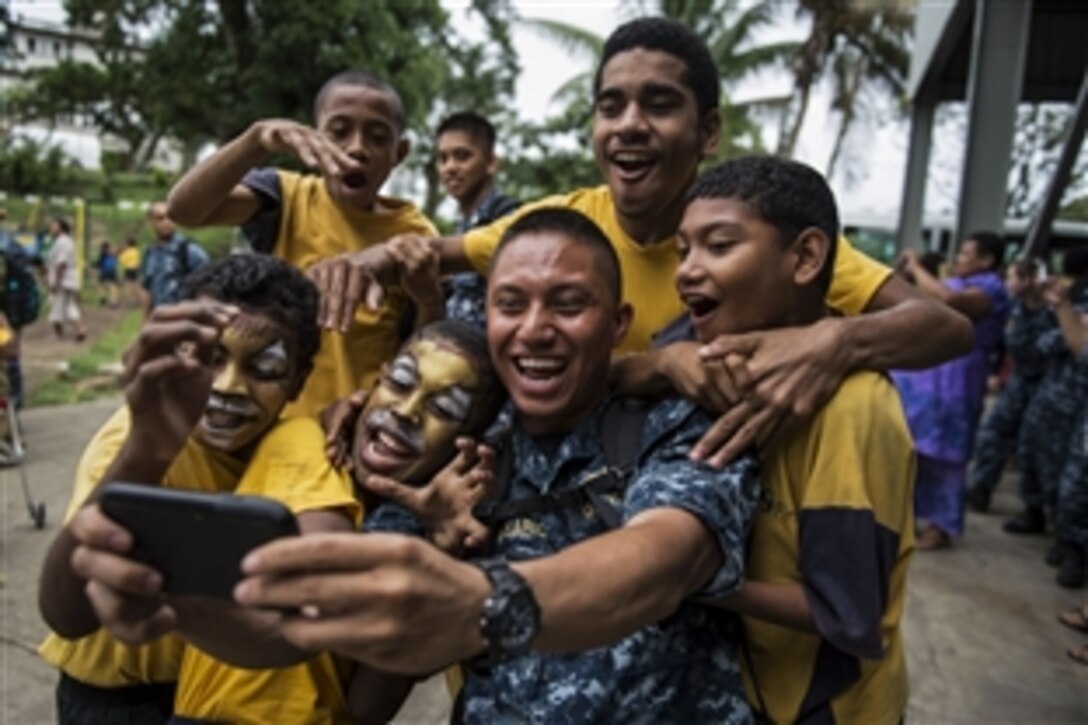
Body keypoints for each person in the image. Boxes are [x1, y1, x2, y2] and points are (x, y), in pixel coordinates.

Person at [309, 17, 972, 467]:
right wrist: (366, 260)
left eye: (658, 104)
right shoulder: (558, 226)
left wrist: (837, 340)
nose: (629, 125)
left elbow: (941, 326)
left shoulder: (754, 238)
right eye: (610, 105)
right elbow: (430, 256)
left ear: (707, 131)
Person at [222, 208, 759, 723]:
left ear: (618, 324)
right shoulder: (460, 458)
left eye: (568, 305)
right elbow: (370, 701)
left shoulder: (673, 426)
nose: (534, 329)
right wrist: (437, 544)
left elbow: (664, 563)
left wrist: (485, 602)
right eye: (510, 304)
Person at [613, 157, 916, 723]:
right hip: (745, 688)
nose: (686, 272)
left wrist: (680, 577)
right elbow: (621, 372)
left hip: (824, 705)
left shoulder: (855, 408)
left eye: (720, 246)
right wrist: (668, 362)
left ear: (804, 258)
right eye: (683, 251)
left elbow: (848, 615)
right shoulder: (714, 350)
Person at [37, 255, 360, 724]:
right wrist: (146, 451)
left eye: (263, 368)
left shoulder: (294, 441)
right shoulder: (132, 435)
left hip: (192, 692)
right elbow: (66, 615)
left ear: (298, 382)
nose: (227, 386)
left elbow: (305, 618)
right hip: (108, 698)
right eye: (211, 359)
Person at [165, 69, 439, 420]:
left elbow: (422, 348)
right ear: (314, 137)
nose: (357, 148)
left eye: (377, 137)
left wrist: (429, 296)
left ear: (399, 153)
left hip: (350, 432)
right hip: (265, 424)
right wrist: (256, 139)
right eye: (339, 132)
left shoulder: (416, 236)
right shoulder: (287, 196)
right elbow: (184, 210)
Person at [893, 232, 1011, 549]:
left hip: (955, 385)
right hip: (922, 383)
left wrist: (917, 267)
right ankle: (906, 519)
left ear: (986, 260)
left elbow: (948, 302)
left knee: (946, 459)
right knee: (911, 452)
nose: (958, 258)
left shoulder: (991, 289)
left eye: (966, 253)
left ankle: (939, 526)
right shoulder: (954, 282)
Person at [966, 258, 1053, 513]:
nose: (1008, 283)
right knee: (991, 435)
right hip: (1017, 383)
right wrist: (995, 371)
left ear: (1029, 280)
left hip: (1046, 386)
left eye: (1014, 277)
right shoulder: (1014, 307)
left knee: (1032, 446)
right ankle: (980, 489)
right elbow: (1002, 344)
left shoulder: (1053, 310)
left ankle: (1034, 507)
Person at [435, 111, 520, 328]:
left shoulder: (508, 221)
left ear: (491, 163)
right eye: (443, 158)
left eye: (462, 156)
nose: (450, 168)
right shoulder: (460, 229)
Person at [1040, 277, 1088, 588]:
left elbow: (1081, 349)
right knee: (1062, 479)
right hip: (1065, 406)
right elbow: (1045, 344)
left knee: (1076, 486)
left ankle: (1076, 551)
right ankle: (1067, 542)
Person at [139, 201, 209, 312]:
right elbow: (146, 288)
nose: (166, 222)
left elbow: (208, 286)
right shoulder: (150, 253)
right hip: (160, 319)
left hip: (184, 318)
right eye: (160, 218)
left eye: (170, 217)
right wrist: (146, 321)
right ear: (150, 222)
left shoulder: (189, 250)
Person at [45, 216, 87, 342]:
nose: (51, 228)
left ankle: (58, 334)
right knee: (69, 306)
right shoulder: (66, 241)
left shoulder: (62, 242)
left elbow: (61, 264)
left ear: (61, 227)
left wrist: (56, 283)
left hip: (63, 280)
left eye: (54, 225)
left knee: (56, 305)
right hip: (69, 279)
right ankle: (80, 330)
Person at [119, 237, 142, 307]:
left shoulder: (127, 252)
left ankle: (129, 301)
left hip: (128, 269)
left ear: (128, 244)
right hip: (136, 269)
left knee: (128, 286)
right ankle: (137, 300)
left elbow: (121, 260)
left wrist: (122, 251)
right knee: (136, 285)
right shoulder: (137, 251)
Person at [95, 240, 119, 307]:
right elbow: (116, 260)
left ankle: (102, 297)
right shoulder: (113, 253)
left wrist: (92, 265)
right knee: (113, 286)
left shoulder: (102, 253)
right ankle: (114, 301)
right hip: (112, 271)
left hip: (104, 271)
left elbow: (99, 263)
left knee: (101, 284)